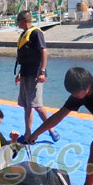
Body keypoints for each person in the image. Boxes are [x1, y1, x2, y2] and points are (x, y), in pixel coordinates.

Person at [14, 11, 59, 142]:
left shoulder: (36, 33)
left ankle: (52, 130)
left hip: (35, 74)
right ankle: (27, 134)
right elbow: (25, 56)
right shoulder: (24, 34)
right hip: (26, 73)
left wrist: (42, 71)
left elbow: (44, 51)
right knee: (27, 106)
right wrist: (20, 73)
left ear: (24, 21)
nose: (17, 23)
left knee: (37, 105)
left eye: (18, 20)